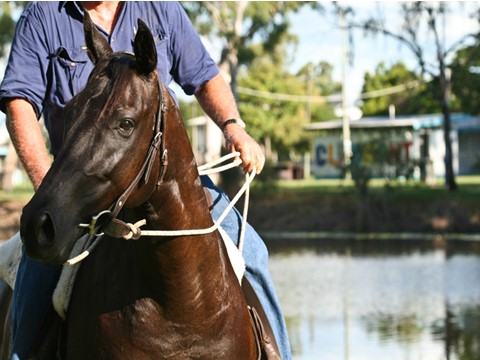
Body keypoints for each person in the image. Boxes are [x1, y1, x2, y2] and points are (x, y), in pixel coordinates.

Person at [0, 2, 292, 359]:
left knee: (254, 253)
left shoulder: (161, 9)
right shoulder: (43, 15)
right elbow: (19, 101)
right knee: (37, 266)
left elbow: (204, 76)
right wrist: (51, 188)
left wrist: (234, 128)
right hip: (80, 188)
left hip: (168, 182)